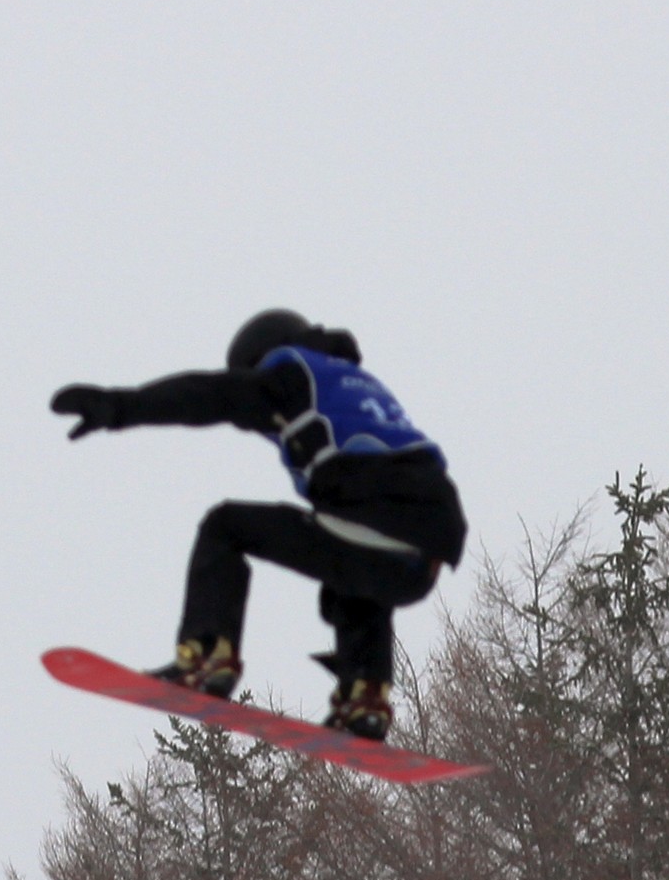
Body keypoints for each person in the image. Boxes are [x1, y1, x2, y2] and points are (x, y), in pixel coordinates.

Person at [50, 309, 466, 740]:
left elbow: (210, 395)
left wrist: (119, 407)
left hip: (379, 514)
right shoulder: (352, 381)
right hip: (428, 547)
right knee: (351, 572)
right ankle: (366, 698)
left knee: (225, 526)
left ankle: (207, 656)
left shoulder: (288, 372)